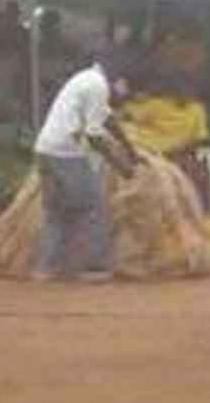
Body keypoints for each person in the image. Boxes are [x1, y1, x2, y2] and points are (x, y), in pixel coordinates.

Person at [32, 54, 141, 282]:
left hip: (45, 149)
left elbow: (108, 119)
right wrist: (122, 166)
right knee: (92, 207)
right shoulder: (98, 85)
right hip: (66, 153)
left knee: (57, 212)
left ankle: (47, 267)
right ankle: (95, 268)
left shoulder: (85, 80)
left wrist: (130, 150)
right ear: (113, 72)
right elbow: (94, 134)